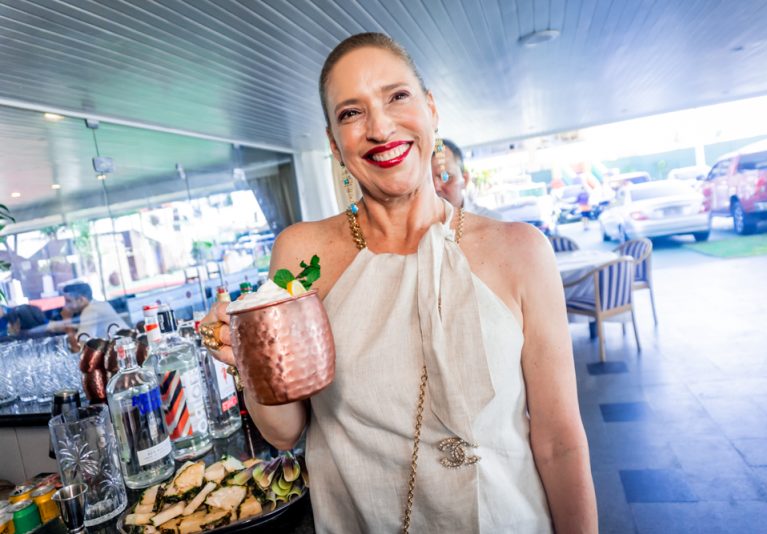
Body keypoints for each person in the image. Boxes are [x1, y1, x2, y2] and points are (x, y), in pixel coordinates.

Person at [200, 33, 596, 533]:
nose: (380, 127)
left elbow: (560, 441)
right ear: (333, 143)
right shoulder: (302, 254)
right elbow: (285, 432)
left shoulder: (521, 251)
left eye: (397, 97)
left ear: (431, 109)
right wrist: (247, 357)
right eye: (351, 113)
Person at [432, 138, 506, 220]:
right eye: (427, 181)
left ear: (465, 179)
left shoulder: (495, 223)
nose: (435, 187)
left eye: (445, 177)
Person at [60, 282, 129, 340]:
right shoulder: (100, 304)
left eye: (68, 301)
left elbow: (79, 348)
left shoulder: (90, 310)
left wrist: (66, 320)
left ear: (81, 299)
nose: (65, 305)